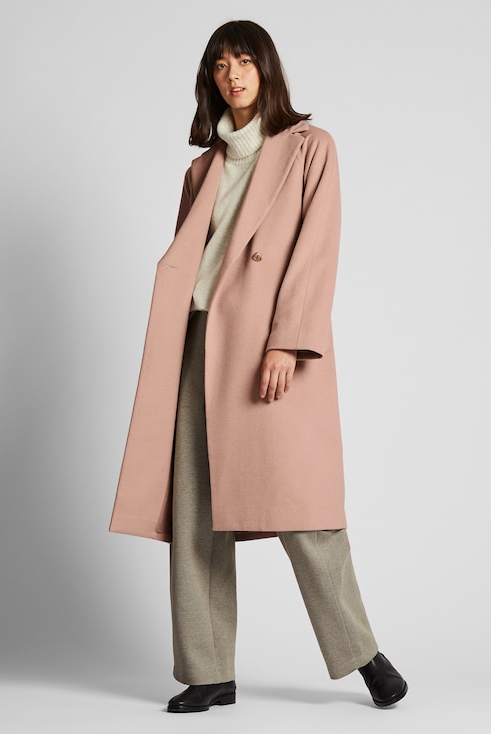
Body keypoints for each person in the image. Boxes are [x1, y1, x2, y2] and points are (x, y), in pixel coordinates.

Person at [109, 19, 408, 713]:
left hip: (268, 345)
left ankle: (362, 652)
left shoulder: (310, 147)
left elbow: (316, 249)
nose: (233, 74)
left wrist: (287, 341)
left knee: (304, 504)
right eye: (220, 65)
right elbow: (195, 262)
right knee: (196, 511)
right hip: (199, 342)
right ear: (209, 80)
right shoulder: (201, 171)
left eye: (244, 60)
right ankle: (208, 669)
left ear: (267, 68)